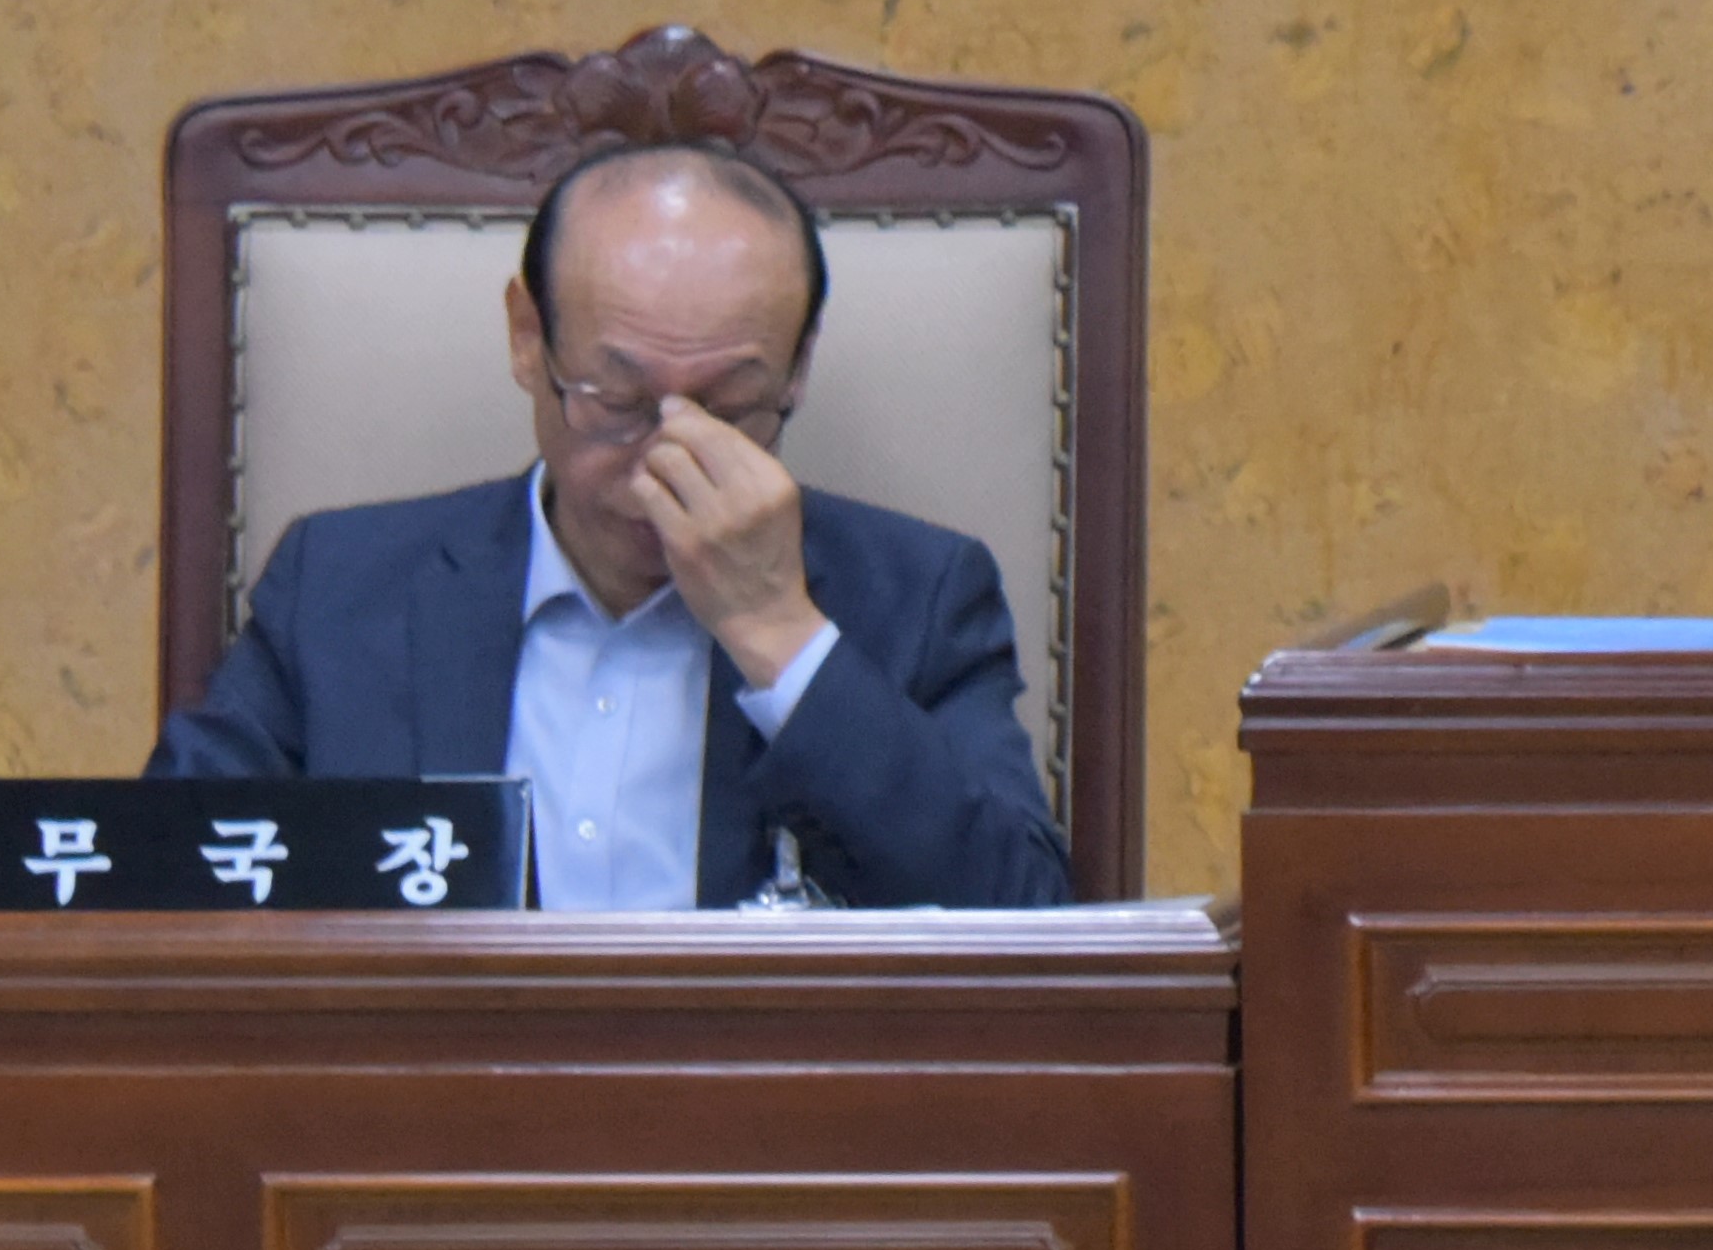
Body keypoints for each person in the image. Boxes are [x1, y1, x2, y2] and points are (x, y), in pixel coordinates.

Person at [153, 137, 1077, 907]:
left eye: (730, 405)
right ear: (528, 338)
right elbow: (160, 880)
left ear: (797, 370)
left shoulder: (918, 597)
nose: (665, 460)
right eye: (618, 400)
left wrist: (780, 638)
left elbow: (1027, 928)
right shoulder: (341, 587)